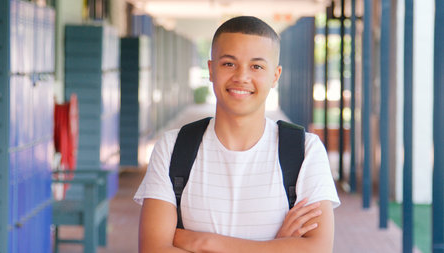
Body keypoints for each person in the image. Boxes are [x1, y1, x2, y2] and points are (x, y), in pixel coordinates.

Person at [134, 16, 340, 252]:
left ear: (275, 76)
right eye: (229, 64)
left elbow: (319, 249)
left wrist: (205, 242)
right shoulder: (173, 147)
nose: (242, 76)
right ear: (211, 70)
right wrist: (275, 247)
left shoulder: (304, 150)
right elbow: (153, 249)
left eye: (257, 66)